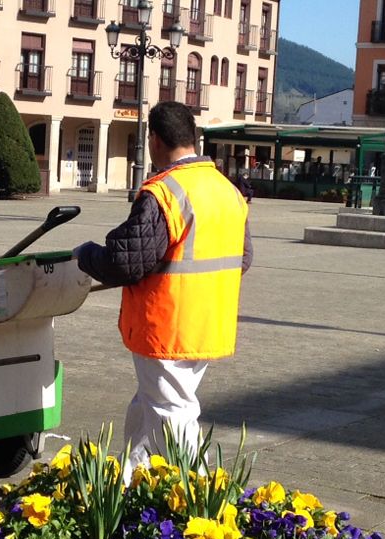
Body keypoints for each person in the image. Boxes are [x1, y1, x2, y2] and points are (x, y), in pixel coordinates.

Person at [74, 101, 252, 482]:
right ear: (193, 137)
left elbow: (127, 261)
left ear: (154, 140)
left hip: (167, 326)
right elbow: (244, 257)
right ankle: (132, 480)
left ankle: (196, 493)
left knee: (171, 410)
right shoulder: (228, 191)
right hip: (208, 323)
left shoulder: (165, 192)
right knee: (150, 405)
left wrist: (86, 255)